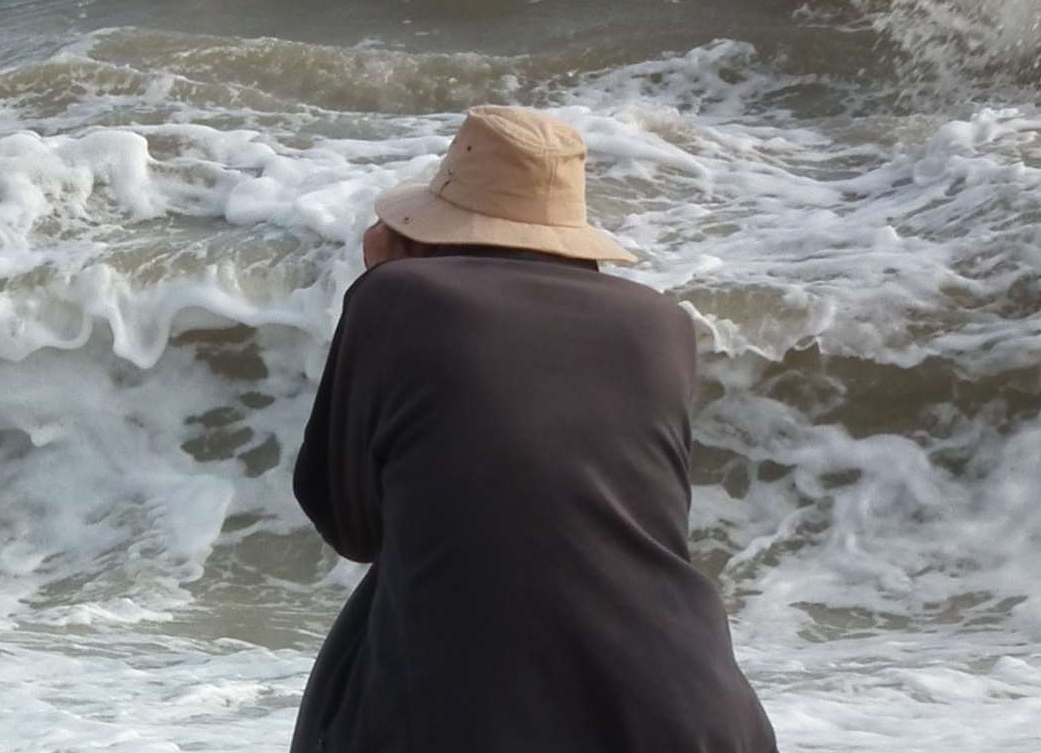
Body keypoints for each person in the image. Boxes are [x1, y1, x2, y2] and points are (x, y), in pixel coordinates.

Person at [290, 105, 779, 753]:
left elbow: (351, 526)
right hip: (691, 709)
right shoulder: (661, 323)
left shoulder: (398, 296)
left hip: (469, 711)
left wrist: (383, 265)